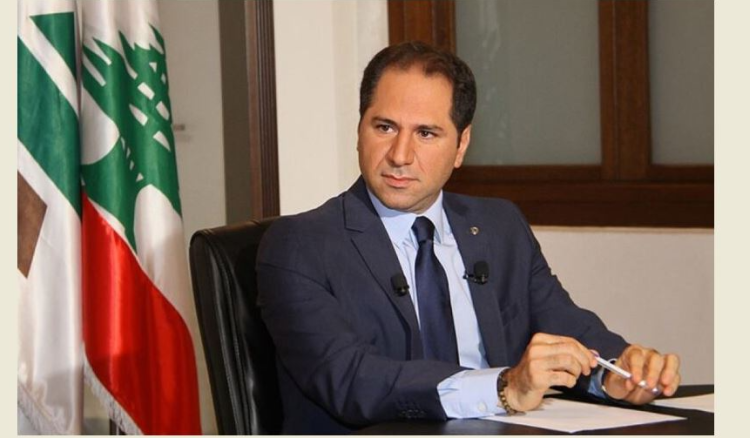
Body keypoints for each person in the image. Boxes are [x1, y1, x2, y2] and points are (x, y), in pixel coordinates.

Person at [256, 41, 681, 434]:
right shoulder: (300, 245)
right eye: (384, 127)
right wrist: (504, 387)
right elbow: (350, 380)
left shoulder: (499, 226)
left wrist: (617, 372)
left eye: (426, 133)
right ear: (359, 130)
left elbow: (566, 326)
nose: (400, 155)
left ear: (461, 146)